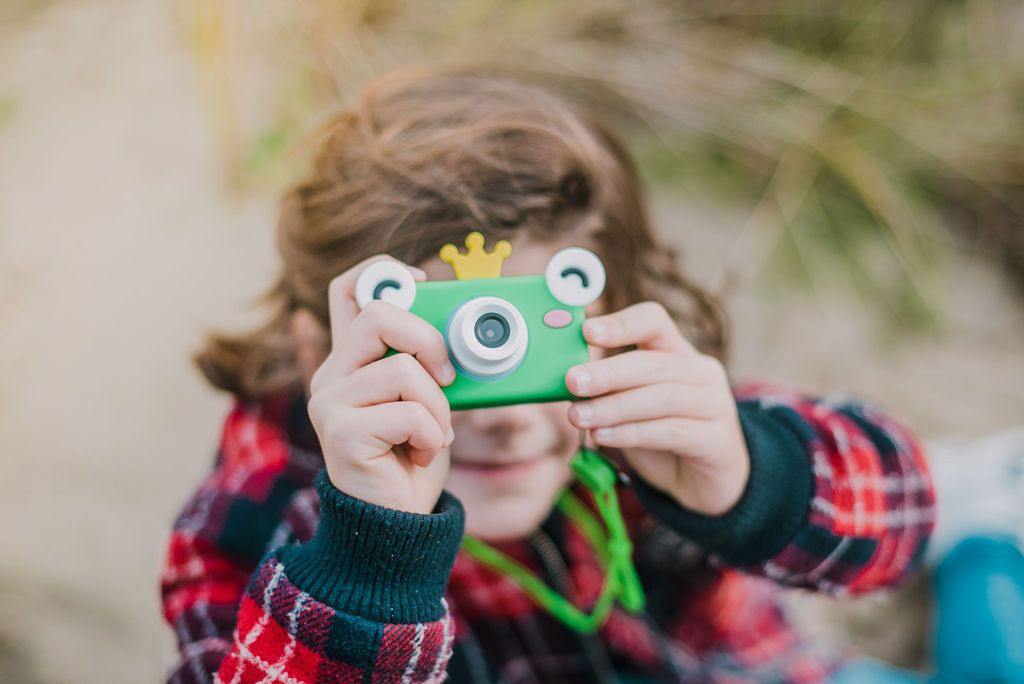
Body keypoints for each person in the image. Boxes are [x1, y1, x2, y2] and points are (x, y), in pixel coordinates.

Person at [160, 69, 936, 683]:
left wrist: (745, 477)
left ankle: (989, 557)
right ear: (315, 350)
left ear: (609, 309)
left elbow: (903, 511)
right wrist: (366, 561)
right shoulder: (253, 519)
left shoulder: (642, 414)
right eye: (437, 348)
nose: (504, 416)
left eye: (532, 338)